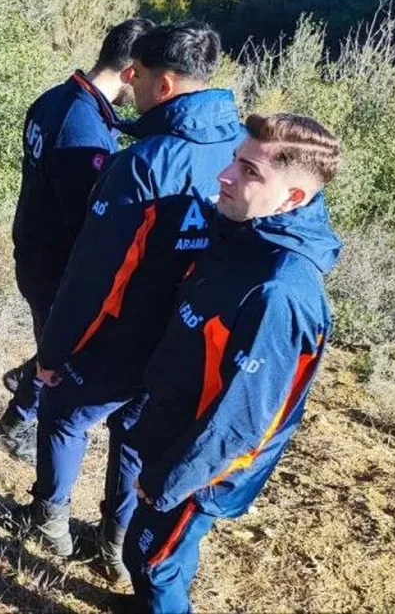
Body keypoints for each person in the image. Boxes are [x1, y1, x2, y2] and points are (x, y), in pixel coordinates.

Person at [16, 22, 244, 585]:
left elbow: (95, 274)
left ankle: (51, 520)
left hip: (126, 331)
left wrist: (54, 350)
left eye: (138, 76)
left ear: (164, 84)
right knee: (137, 432)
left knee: (66, 412)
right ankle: (115, 541)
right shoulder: (243, 151)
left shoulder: (144, 163)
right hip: (188, 337)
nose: (130, 85)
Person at [124, 113, 341, 612]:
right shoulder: (241, 233)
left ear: (293, 199)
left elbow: (241, 425)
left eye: (249, 171)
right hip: (174, 438)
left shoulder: (280, 291)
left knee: (154, 564)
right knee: (163, 555)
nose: (225, 175)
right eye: (234, 161)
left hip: (202, 472)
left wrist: (167, 482)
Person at [0, 17, 154, 465]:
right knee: (62, 354)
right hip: (55, 263)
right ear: (129, 73)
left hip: (33, 245)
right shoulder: (84, 130)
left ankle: (28, 383)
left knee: (52, 343)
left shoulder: (55, 99)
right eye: (142, 78)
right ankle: (17, 421)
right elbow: (89, 216)